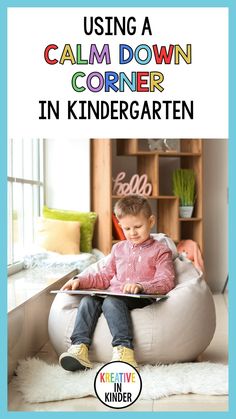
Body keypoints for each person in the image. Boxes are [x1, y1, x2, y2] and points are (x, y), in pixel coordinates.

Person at [59, 194, 175, 371]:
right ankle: (79, 349)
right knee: (88, 300)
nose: (133, 233)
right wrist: (79, 281)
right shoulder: (118, 248)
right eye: (127, 228)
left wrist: (141, 286)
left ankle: (125, 352)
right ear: (120, 225)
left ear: (151, 221)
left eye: (138, 226)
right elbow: (104, 276)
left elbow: (166, 281)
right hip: (114, 294)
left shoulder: (160, 250)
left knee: (112, 301)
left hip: (141, 296)